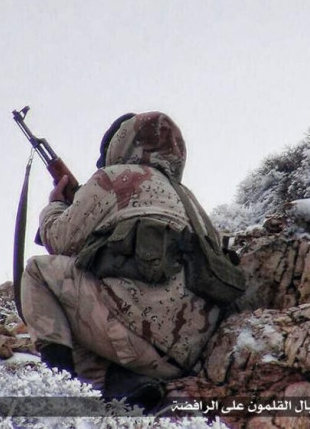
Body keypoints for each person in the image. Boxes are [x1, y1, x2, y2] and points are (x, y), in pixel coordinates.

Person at [20, 111, 224, 410]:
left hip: (134, 339)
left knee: (39, 273)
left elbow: (60, 241)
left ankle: (57, 389)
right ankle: (122, 385)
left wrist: (56, 205)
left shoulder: (117, 178)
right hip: (186, 359)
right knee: (94, 283)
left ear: (124, 142)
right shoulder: (192, 204)